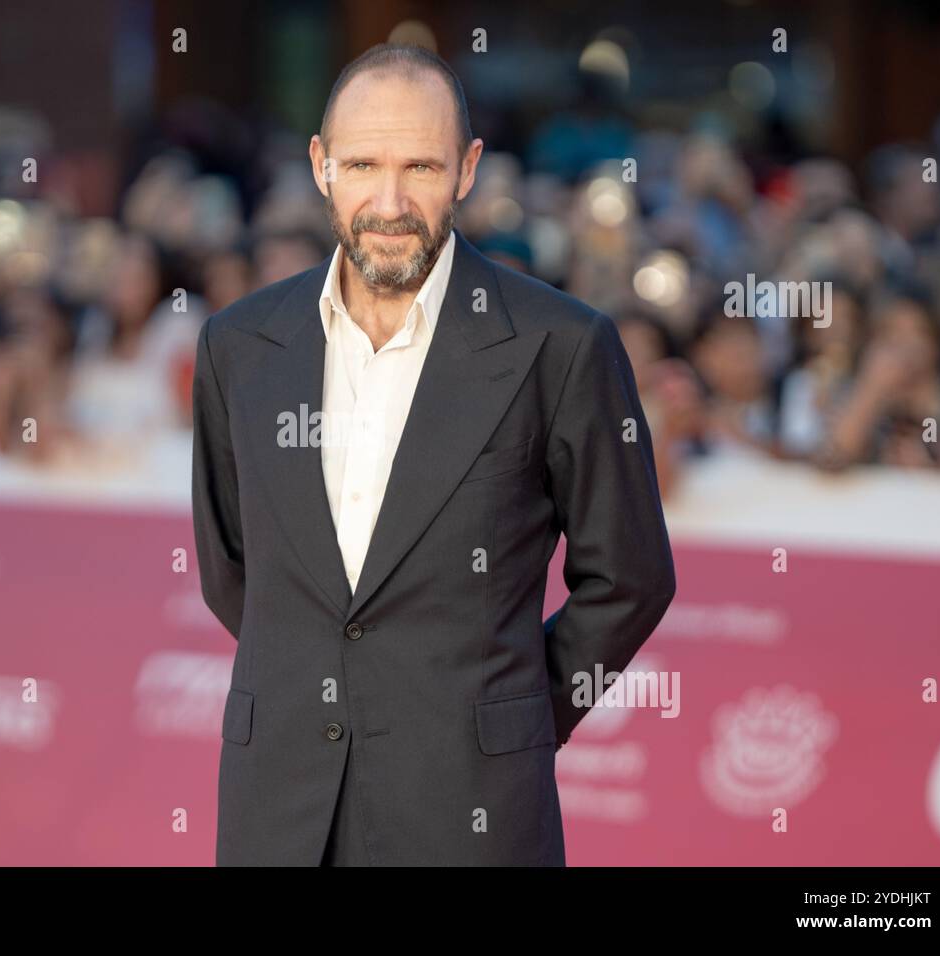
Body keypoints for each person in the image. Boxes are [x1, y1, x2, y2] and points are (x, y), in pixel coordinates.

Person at [191, 42, 676, 867]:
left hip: (472, 815)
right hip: (277, 809)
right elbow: (233, 566)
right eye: (362, 164)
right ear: (320, 166)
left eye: (420, 165)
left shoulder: (560, 345)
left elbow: (630, 578)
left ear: (466, 169)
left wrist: (507, 718)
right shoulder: (239, 344)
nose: (388, 201)